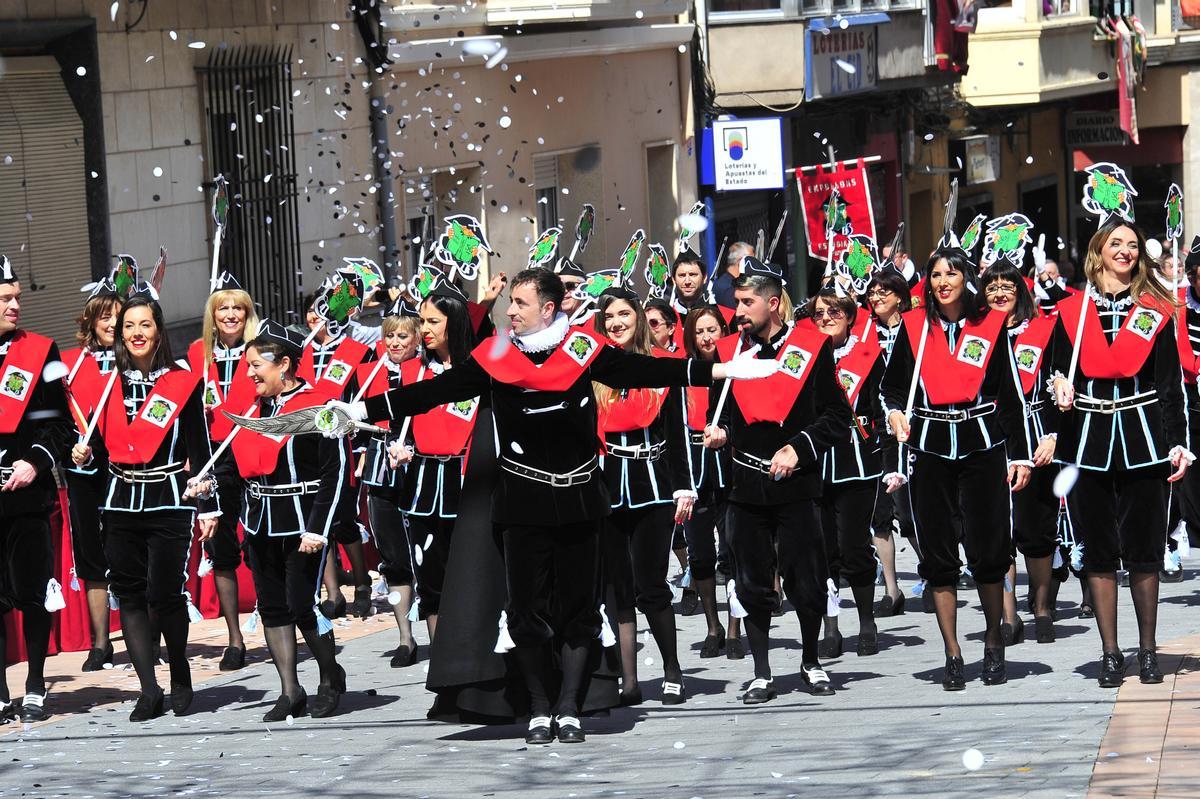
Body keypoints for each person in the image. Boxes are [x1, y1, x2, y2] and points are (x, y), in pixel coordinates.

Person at [336, 268, 774, 744]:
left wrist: (715, 370)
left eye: (520, 304)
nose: (510, 312)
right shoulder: (497, 354)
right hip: (522, 501)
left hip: (581, 499)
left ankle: (569, 705)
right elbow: (430, 393)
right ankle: (540, 706)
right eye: (510, 304)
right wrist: (360, 411)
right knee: (525, 609)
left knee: (578, 608)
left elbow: (645, 368)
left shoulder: (582, 350)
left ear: (548, 308)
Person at [880, 247, 1032, 691]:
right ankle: (951, 652)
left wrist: (1019, 455)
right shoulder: (913, 327)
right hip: (929, 450)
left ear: (967, 277)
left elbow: (1011, 395)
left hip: (983, 446)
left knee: (988, 551)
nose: (943, 280)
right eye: (935, 274)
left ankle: (991, 641)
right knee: (939, 555)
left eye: (952, 272)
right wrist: (893, 414)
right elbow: (890, 390)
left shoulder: (991, 323)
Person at [1049, 219, 1192, 687]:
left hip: (1144, 438)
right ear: (1099, 250)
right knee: (1100, 550)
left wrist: (1178, 442)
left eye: (1132, 245)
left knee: (1145, 549)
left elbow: (1171, 386)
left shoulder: (1156, 308)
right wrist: (1059, 387)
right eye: (1117, 243)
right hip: (1088, 441)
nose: (1126, 251)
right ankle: (1111, 652)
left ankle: (1147, 650)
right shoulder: (1072, 310)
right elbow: (1052, 376)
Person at [704, 257, 853, 704]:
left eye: (747, 301)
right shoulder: (729, 351)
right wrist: (721, 431)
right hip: (745, 487)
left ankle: (811, 660)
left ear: (773, 303)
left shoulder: (812, 346)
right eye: (736, 301)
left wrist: (799, 447)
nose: (738, 309)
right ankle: (762, 670)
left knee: (805, 578)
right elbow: (727, 413)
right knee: (750, 580)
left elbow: (837, 416)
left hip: (797, 484)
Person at [71, 292, 219, 721]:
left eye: (145, 325)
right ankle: (149, 690)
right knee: (130, 594)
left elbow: (201, 449)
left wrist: (208, 508)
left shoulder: (182, 382)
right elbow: (100, 449)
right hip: (120, 503)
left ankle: (179, 672)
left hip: (170, 499)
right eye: (129, 326)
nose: (136, 333)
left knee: (165, 592)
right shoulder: (106, 385)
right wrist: (84, 456)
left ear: (159, 332)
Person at [225, 320, 350, 719]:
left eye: (256, 366)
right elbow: (231, 464)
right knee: (273, 606)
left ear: (284, 365)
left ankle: (329, 676)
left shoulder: (322, 407)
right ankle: (290, 690)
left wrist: (319, 528)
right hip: (260, 520)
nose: (248, 374)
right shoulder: (251, 410)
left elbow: (338, 471)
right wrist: (208, 486)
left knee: (301, 603)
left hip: (303, 523)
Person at [593, 289, 692, 706]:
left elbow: (678, 433)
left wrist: (684, 487)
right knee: (620, 586)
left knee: (651, 582)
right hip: (608, 484)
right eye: (608, 316)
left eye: (623, 314)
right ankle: (629, 680)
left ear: (639, 318)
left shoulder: (664, 366)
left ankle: (672, 669)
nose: (615, 322)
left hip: (653, 482)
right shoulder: (595, 370)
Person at [0, 256, 72, 724]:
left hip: (28, 498)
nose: (15, 306)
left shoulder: (43, 353)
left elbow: (63, 426)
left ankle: (35, 684)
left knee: (32, 595)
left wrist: (35, 461)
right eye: (6, 299)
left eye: (17, 298)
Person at [980, 262, 1060, 644]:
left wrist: (1053, 436)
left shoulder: (1043, 329)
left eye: (1006, 285)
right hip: (990, 438)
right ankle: (1009, 615)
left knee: (1036, 528)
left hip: (1036, 436)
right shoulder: (973, 335)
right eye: (991, 286)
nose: (999, 292)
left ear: (1020, 291)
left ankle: (1042, 603)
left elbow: (1061, 383)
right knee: (998, 530)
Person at [396, 281, 479, 646]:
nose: (424, 330)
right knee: (431, 576)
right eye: (422, 321)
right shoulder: (413, 370)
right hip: (424, 483)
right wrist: (401, 446)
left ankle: (478, 660)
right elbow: (402, 424)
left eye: (433, 322)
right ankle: (442, 667)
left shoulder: (481, 368)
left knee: (473, 576)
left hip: (468, 483)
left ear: (455, 322)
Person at [187, 273, 260, 671]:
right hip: (215, 458)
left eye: (237, 308)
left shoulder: (259, 350)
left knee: (263, 541)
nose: (230, 315)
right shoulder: (199, 353)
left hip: (254, 453)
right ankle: (234, 639)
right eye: (223, 309)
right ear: (212, 317)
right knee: (220, 548)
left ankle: (282, 621)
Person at [809, 290, 884, 658]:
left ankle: (867, 621)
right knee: (823, 551)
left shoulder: (869, 354)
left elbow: (882, 406)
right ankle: (831, 626)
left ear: (850, 316)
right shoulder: (804, 355)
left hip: (857, 461)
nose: (825, 317)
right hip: (817, 462)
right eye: (819, 312)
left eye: (833, 311)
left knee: (854, 546)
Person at [299, 290, 373, 620]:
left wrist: (361, 449)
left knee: (344, 519)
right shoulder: (299, 352)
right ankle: (332, 592)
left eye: (323, 310)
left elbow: (364, 399)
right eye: (311, 311)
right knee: (318, 518)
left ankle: (361, 583)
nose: (317, 317)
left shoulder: (353, 351)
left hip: (343, 441)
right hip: (307, 444)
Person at [61, 282, 122, 673]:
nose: (113, 323)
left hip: (125, 465)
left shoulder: (133, 361)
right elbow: (53, 418)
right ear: (90, 321)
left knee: (131, 546)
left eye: (119, 315)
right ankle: (101, 642)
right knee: (90, 552)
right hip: (81, 467)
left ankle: (146, 629)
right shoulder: (66, 364)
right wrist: (70, 445)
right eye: (105, 316)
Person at [357, 310, 421, 666]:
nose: (395, 343)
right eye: (390, 337)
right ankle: (405, 638)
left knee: (427, 556)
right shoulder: (368, 374)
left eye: (403, 337)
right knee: (393, 559)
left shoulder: (427, 373)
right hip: (381, 473)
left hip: (419, 469)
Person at [680, 307, 742, 659]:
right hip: (693, 472)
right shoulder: (685, 372)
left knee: (732, 549)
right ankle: (712, 626)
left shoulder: (733, 370)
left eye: (713, 329)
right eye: (700, 331)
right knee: (700, 552)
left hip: (729, 469)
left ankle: (735, 628)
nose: (706, 337)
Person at [864, 269, 912, 617]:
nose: (877, 298)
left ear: (899, 295)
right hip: (879, 430)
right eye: (872, 293)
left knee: (912, 514)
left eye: (884, 292)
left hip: (918, 424)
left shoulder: (917, 328)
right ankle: (892, 590)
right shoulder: (863, 333)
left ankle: (938, 567)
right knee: (882, 512)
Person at [712, 242, 754, 310]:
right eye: (751, 261)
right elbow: (734, 317)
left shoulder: (723, 281)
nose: (753, 265)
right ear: (741, 261)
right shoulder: (729, 289)